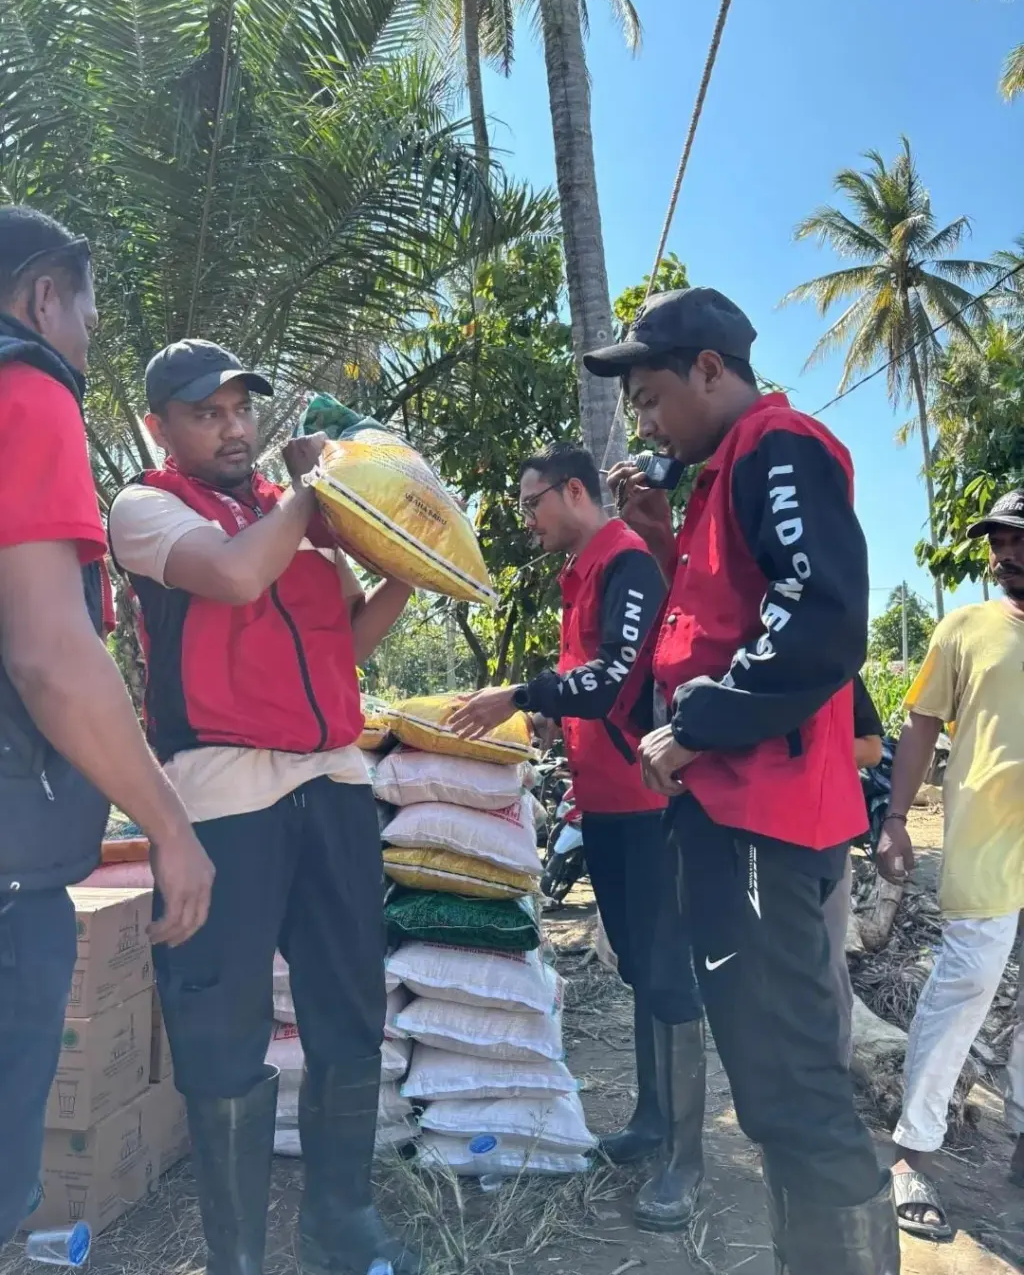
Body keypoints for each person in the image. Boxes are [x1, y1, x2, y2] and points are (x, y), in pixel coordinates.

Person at [596, 287, 900, 1274]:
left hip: (763, 814)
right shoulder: (724, 475)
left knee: (793, 1090)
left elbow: (818, 615)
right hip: (738, 817)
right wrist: (657, 537)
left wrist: (693, 728)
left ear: (709, 369)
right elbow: (729, 618)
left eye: (651, 398)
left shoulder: (777, 445)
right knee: (776, 1091)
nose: (647, 425)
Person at [107, 340, 418, 1275]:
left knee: (349, 1011)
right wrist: (319, 493)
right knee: (223, 1030)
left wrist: (410, 565)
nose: (234, 427)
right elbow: (237, 576)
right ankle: (236, 1257)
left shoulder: (295, 513)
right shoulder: (147, 508)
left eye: (242, 408)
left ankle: (340, 1224)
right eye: (207, 413)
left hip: (335, 784)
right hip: (222, 796)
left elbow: (346, 644)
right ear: (161, 427)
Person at [0, 208, 214, 1247]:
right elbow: (50, 657)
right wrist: (169, 827)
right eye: (86, 314)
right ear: (45, 297)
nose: (87, 338)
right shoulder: (27, 390)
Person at [450, 443, 705, 1231]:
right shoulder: (585, 572)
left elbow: (611, 681)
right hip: (608, 803)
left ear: (572, 492)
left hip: (650, 804)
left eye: (532, 503)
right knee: (640, 968)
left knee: (668, 975)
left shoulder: (626, 563)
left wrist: (519, 696)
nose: (527, 519)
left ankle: (686, 1159)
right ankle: (652, 1121)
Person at [876, 487, 1024, 1240]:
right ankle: (911, 1153)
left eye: (1017, 539)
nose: (1003, 555)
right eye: (998, 541)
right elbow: (920, 726)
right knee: (963, 990)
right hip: (986, 843)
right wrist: (896, 819)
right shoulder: (965, 628)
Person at [823, 675, 885, 1068]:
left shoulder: (838, 667)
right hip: (753, 839)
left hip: (825, 836)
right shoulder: (740, 663)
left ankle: (834, 1071)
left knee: (827, 958)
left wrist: (808, 749)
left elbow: (872, 749)